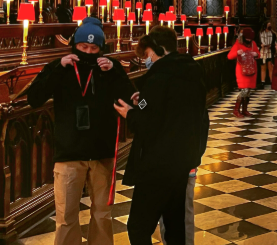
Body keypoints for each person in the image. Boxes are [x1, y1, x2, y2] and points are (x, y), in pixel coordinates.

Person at [27, 17, 135, 245]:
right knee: (66, 217)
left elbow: (134, 100)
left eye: (94, 48)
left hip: (102, 153)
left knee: (102, 215)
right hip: (69, 154)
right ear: (74, 45)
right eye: (83, 47)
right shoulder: (61, 67)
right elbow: (34, 98)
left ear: (101, 48)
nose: (88, 52)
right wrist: (57, 67)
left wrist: (114, 72)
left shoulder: (110, 68)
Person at [113, 27, 208, 245]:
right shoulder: (191, 71)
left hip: (158, 164)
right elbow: (169, 109)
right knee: (175, 227)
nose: (148, 60)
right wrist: (143, 102)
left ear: (159, 49)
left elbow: (149, 124)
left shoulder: (159, 77)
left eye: (148, 55)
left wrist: (130, 113)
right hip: (183, 161)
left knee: (138, 226)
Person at [228, 28, 259, 117]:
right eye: (247, 38)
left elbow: (258, 53)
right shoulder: (238, 44)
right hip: (242, 71)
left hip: (252, 70)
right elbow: (229, 56)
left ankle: (244, 110)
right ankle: (236, 110)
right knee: (244, 90)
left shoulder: (253, 44)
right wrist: (237, 52)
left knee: (248, 91)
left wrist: (256, 54)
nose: (249, 40)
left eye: (250, 39)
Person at [257, 21, 276, 88]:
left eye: (270, 25)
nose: (269, 26)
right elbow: (257, 42)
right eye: (268, 25)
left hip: (270, 52)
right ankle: (262, 82)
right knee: (263, 67)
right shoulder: (260, 33)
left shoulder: (273, 34)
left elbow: (275, 43)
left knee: (270, 67)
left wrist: (271, 46)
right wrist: (261, 45)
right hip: (263, 52)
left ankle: (272, 81)